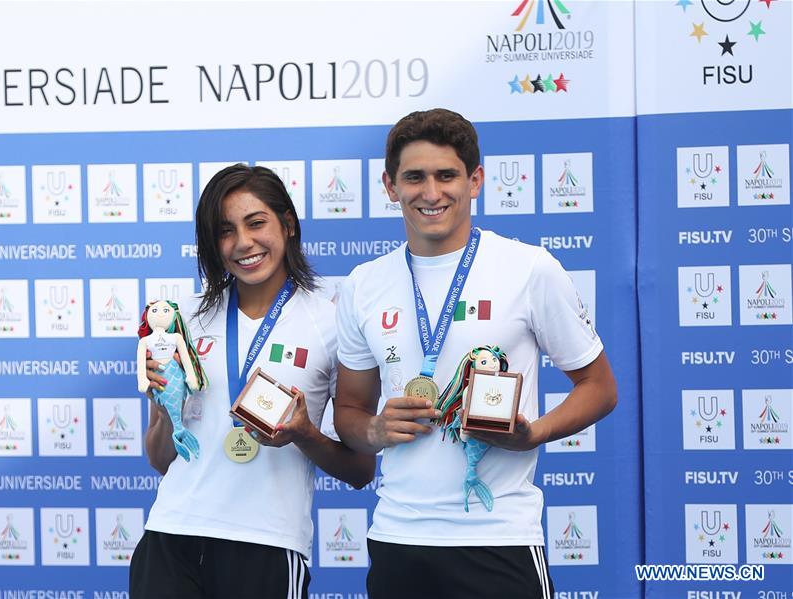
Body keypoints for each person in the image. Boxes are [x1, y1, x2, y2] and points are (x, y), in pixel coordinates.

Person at [333, 109, 617, 599]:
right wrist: (375, 429)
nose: (431, 192)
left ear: (476, 180)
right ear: (389, 185)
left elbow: (600, 387)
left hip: (498, 539)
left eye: (447, 175)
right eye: (414, 177)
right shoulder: (364, 284)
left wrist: (534, 434)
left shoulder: (529, 269)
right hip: (398, 537)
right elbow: (348, 413)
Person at [130, 164, 375, 599]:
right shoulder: (183, 317)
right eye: (226, 231)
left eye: (256, 222)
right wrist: (166, 406)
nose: (243, 243)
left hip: (267, 545)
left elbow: (359, 470)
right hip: (170, 536)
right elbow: (159, 456)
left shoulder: (332, 321)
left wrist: (304, 434)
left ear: (289, 224)